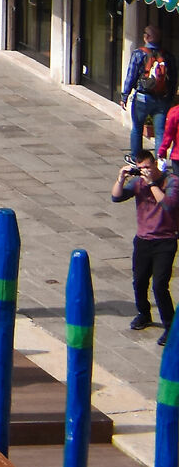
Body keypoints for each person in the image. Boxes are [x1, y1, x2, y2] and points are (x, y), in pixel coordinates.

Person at [117, 150, 179, 338]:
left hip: (165, 241)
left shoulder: (172, 182)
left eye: (148, 167)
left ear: (155, 165)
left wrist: (151, 183)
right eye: (141, 168)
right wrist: (120, 179)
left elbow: (168, 204)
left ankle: (170, 327)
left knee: (160, 285)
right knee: (140, 281)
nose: (145, 171)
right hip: (143, 240)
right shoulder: (138, 182)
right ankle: (143, 313)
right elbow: (116, 197)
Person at [130, 27, 176, 164]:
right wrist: (170, 97)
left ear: (147, 37)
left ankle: (136, 158)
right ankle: (160, 161)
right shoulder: (168, 56)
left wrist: (125, 95)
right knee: (160, 131)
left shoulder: (139, 54)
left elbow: (131, 75)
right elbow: (173, 79)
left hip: (142, 98)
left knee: (137, 128)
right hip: (162, 99)